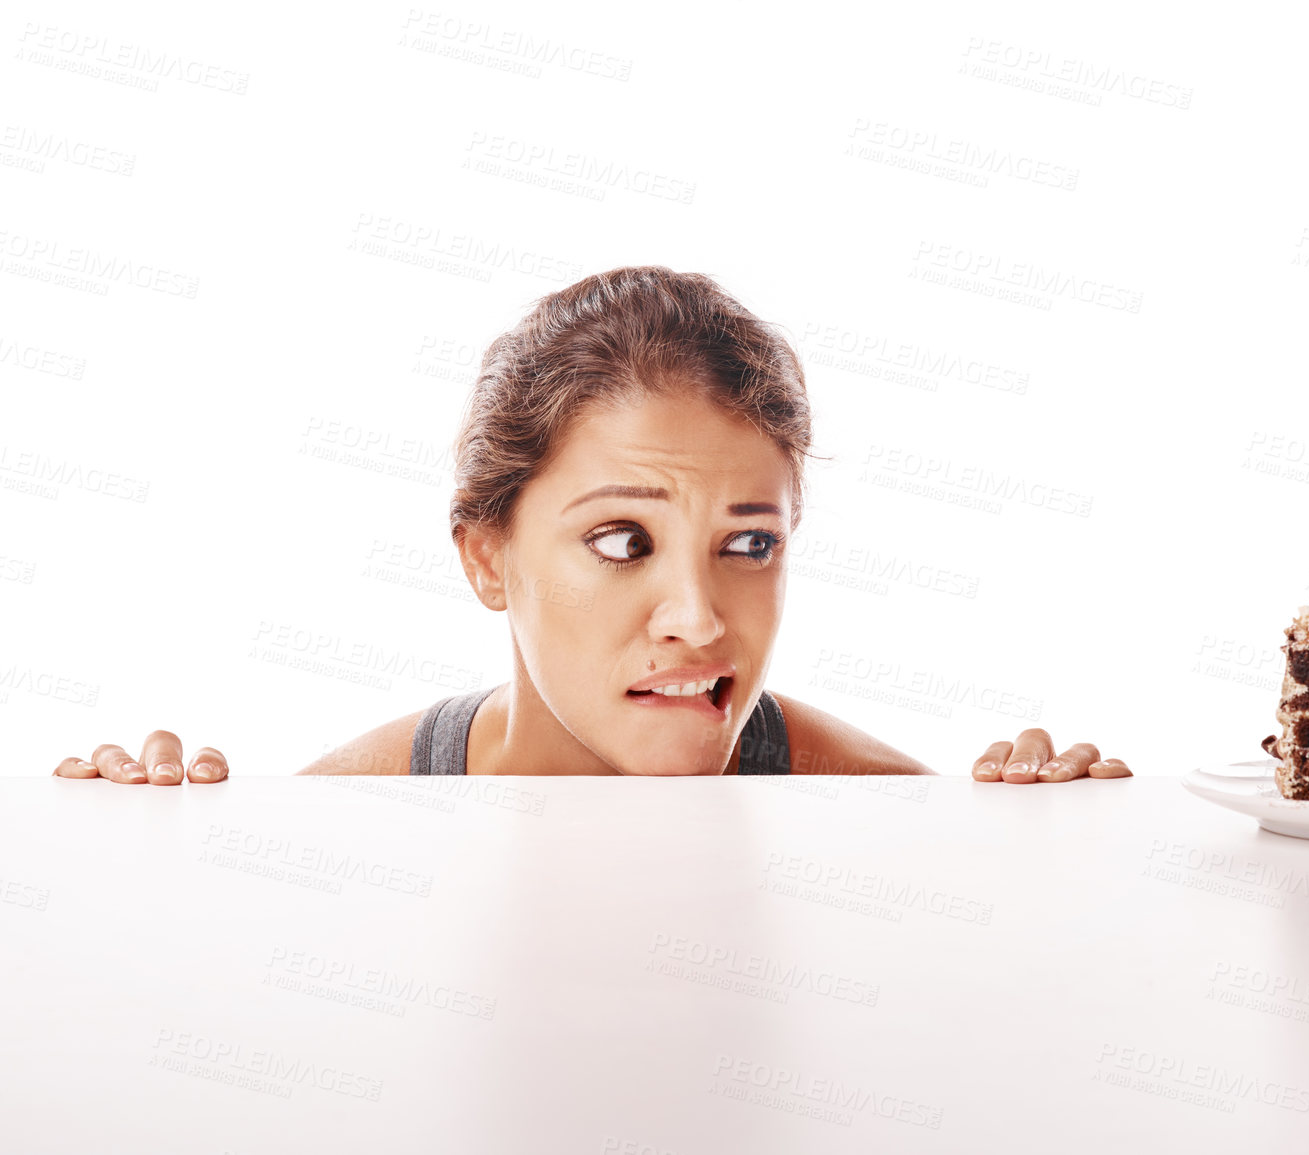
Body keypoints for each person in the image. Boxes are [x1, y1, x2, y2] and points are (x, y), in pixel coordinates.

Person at [52, 267, 1131, 786]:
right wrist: (137, 861)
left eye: (750, 543)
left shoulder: (876, 812)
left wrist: (1047, 852)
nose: (700, 622)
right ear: (486, 556)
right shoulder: (355, 819)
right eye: (622, 541)